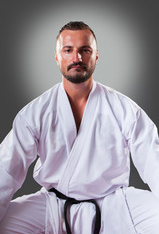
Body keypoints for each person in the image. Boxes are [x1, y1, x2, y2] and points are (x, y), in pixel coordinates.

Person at [0, 21, 159, 234]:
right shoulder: (35, 112)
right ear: (56, 56)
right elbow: (6, 169)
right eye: (68, 50)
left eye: (85, 50)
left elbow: (153, 161)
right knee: (5, 223)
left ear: (96, 55)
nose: (77, 58)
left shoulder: (124, 109)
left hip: (114, 204)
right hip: (53, 205)